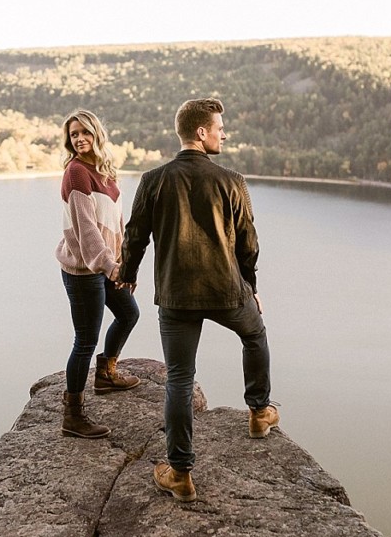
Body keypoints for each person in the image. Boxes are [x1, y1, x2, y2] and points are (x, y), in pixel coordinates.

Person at [118, 97, 277, 502]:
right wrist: (251, 289)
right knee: (255, 335)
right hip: (226, 291)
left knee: (179, 379)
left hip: (176, 296)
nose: (224, 133)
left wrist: (129, 275)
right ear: (201, 132)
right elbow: (248, 243)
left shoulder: (153, 180)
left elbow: (134, 236)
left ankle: (181, 473)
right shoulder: (231, 181)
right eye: (219, 127)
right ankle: (259, 412)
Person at [55, 109, 142, 439]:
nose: (79, 139)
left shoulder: (105, 171)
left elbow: (117, 223)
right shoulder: (76, 173)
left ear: (96, 134)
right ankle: (73, 415)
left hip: (106, 263)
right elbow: (88, 232)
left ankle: (106, 373)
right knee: (85, 340)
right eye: (74, 135)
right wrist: (112, 267)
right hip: (83, 269)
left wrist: (124, 263)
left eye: (84, 132)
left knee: (128, 313)